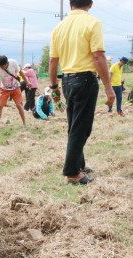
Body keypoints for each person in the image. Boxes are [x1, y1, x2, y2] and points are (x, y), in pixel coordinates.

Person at [49, 0, 115, 184]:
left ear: (70, 5)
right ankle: (72, 172)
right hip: (85, 79)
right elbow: (98, 55)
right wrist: (109, 88)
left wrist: (54, 87)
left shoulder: (59, 27)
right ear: (91, 4)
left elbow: (53, 61)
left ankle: (79, 163)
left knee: (74, 124)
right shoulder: (93, 23)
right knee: (81, 127)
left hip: (67, 81)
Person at [0, 55, 32, 130]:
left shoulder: (13, 63)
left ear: (7, 63)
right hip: (4, 88)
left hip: (15, 87)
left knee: (19, 105)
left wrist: (27, 82)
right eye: (0, 67)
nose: (1, 68)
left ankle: (24, 124)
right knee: (0, 106)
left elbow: (21, 72)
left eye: (3, 66)